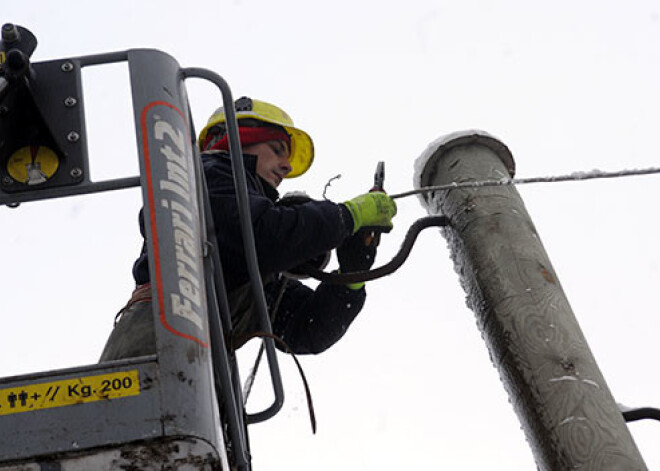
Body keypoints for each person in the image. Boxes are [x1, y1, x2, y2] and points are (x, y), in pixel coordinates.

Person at [100, 97, 396, 360]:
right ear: (237, 141)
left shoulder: (248, 269)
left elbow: (308, 329)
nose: (286, 167)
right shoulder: (204, 177)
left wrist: (351, 276)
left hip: (195, 372)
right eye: (278, 150)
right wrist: (348, 215)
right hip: (152, 356)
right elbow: (265, 235)